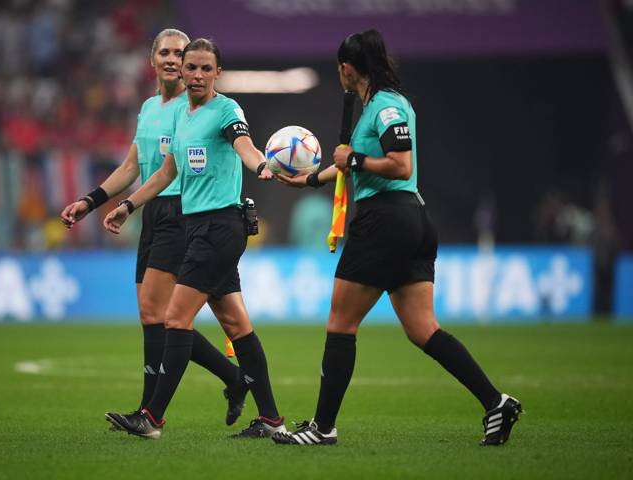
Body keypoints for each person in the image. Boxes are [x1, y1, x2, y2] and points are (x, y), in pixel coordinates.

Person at [271, 30, 521, 446]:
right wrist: (310, 179)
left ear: (349, 69)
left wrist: (352, 157)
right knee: (424, 329)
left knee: (340, 323)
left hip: (386, 220)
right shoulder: (384, 104)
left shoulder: (384, 107)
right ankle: (496, 403)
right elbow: (360, 165)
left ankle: (322, 427)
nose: (340, 77)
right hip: (411, 221)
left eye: (340, 70)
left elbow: (399, 165)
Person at [60, 29, 248, 431]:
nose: (171, 59)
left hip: (184, 210)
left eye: (179, 53)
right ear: (152, 59)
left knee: (160, 314)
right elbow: (132, 166)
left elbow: (175, 168)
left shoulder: (194, 108)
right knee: (153, 316)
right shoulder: (148, 109)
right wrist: (91, 201)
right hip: (151, 212)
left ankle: (152, 412)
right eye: (164, 52)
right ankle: (222, 382)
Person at [101, 38, 286, 440]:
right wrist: (128, 206)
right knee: (237, 324)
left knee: (175, 319)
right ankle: (272, 419)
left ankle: (151, 418)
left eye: (206, 68)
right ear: (181, 72)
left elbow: (245, 146)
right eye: (192, 68)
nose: (198, 75)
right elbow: (167, 172)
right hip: (197, 227)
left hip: (219, 228)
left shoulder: (226, 110)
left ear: (218, 72)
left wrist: (261, 166)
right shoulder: (182, 118)